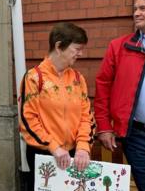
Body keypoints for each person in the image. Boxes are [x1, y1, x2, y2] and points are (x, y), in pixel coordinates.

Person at [94, 0, 145, 191]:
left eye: (143, 8)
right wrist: (104, 126)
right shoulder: (119, 47)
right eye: (135, 8)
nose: (136, 13)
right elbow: (103, 86)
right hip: (139, 139)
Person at [19, 22, 93, 191]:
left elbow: (86, 116)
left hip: (74, 154)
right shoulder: (34, 78)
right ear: (59, 47)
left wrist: (83, 147)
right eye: (77, 49)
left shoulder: (77, 78)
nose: (80, 54)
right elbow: (28, 121)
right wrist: (54, 147)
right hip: (44, 155)